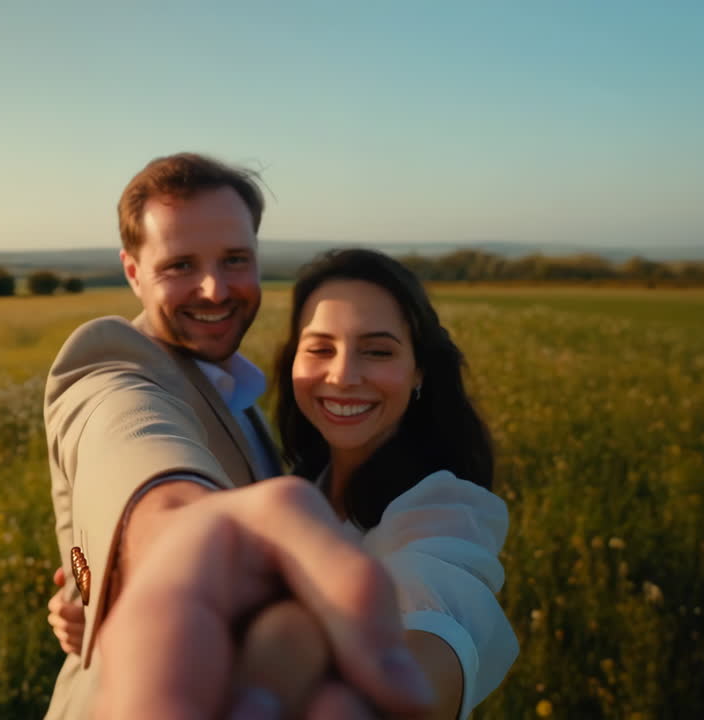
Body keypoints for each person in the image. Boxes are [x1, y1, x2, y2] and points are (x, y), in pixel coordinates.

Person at [51, 246, 519, 717]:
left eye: (377, 351)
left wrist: (363, 688)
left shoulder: (442, 507)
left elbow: (444, 621)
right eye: (319, 349)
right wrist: (102, 607)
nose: (342, 376)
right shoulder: (302, 479)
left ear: (419, 370)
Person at [45, 153, 426, 718]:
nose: (214, 289)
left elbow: (77, 543)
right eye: (179, 266)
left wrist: (88, 589)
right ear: (132, 271)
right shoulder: (113, 366)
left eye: (234, 259)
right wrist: (172, 534)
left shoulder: (237, 391)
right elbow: (129, 439)